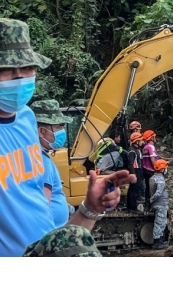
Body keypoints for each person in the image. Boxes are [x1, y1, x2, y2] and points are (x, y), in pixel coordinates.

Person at [0, 18, 135, 256]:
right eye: (6, 70)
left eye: (28, 68)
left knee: (80, 242)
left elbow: (49, 243)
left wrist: (90, 209)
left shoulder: (26, 119)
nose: (19, 78)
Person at [30, 99, 73, 227]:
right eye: (58, 127)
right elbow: (43, 208)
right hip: (50, 236)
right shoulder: (40, 161)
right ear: (42, 131)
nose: (62, 131)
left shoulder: (36, 155)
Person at [149, 159, 169, 250]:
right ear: (161, 169)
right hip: (160, 204)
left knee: (160, 222)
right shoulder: (160, 179)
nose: (166, 170)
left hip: (157, 204)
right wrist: (151, 200)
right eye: (165, 168)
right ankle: (157, 243)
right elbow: (158, 193)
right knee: (159, 223)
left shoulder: (152, 178)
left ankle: (160, 241)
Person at [126, 131, 144, 213]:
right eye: (140, 140)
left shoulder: (136, 149)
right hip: (135, 170)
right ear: (136, 141)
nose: (142, 142)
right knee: (134, 189)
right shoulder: (132, 151)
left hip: (138, 170)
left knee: (133, 188)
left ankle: (130, 206)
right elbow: (130, 164)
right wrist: (134, 175)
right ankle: (132, 207)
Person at [142, 129, 159, 207]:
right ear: (151, 138)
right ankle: (151, 204)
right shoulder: (151, 147)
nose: (155, 138)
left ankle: (147, 203)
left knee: (147, 188)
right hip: (151, 171)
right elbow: (152, 159)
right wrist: (157, 169)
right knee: (152, 188)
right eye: (154, 137)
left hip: (145, 170)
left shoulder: (145, 147)